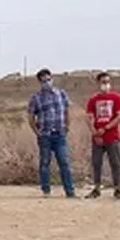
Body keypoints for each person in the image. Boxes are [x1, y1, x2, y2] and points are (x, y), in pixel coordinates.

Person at [27, 68, 76, 198]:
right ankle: (46, 190)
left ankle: (70, 191)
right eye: (44, 81)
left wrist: (67, 126)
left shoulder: (61, 94)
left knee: (64, 162)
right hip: (45, 135)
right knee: (45, 163)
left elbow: (67, 111)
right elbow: (31, 117)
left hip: (59, 133)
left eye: (48, 79)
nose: (47, 82)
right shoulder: (36, 98)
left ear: (52, 79)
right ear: (40, 82)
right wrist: (37, 132)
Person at [85, 72, 120, 200]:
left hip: (112, 135)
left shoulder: (116, 98)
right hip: (97, 136)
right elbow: (89, 117)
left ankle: (118, 189)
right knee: (96, 163)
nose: (105, 84)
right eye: (103, 82)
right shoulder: (93, 100)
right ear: (98, 83)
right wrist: (94, 132)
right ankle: (96, 188)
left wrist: (106, 128)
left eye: (107, 81)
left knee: (115, 163)